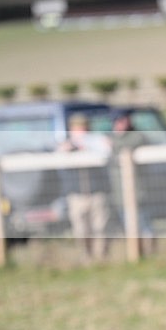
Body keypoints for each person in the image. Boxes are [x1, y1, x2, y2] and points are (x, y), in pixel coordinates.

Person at [58, 112, 112, 261]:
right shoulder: (66, 145)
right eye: (77, 128)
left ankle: (102, 258)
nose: (81, 131)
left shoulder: (97, 142)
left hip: (97, 192)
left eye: (83, 127)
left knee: (100, 227)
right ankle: (86, 258)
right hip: (77, 194)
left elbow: (105, 154)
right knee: (81, 230)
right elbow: (60, 161)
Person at [107, 110, 155, 252]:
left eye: (122, 120)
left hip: (138, 193)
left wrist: (113, 143)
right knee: (129, 229)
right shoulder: (111, 138)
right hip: (119, 195)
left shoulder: (137, 137)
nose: (120, 124)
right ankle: (137, 254)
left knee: (145, 227)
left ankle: (150, 252)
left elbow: (127, 147)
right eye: (117, 121)